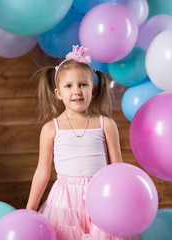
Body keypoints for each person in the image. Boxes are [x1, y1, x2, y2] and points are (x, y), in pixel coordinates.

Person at [26, 45, 127, 240]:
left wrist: (120, 201)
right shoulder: (51, 128)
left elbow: (118, 168)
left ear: (93, 89)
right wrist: (29, 210)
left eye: (83, 84)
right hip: (65, 202)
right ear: (58, 93)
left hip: (100, 197)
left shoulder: (105, 124)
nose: (77, 91)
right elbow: (42, 172)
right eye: (69, 86)